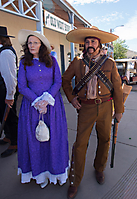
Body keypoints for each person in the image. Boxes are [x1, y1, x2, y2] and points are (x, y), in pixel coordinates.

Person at [62, 26, 124, 199]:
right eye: (87, 41)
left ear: (99, 44)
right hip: (86, 108)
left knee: (105, 139)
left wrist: (119, 110)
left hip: (105, 107)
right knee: (80, 144)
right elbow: (65, 80)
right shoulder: (77, 62)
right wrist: (72, 98)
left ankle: (99, 168)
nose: (89, 44)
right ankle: (74, 181)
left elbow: (117, 89)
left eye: (93, 41)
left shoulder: (109, 63)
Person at [17, 29, 69, 188]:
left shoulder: (52, 61)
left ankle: (54, 173)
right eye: (29, 43)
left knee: (53, 139)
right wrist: (37, 101)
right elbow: (22, 86)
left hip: (52, 106)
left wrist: (46, 100)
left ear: (42, 45)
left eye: (35, 42)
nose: (31, 45)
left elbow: (58, 82)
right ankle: (39, 175)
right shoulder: (24, 62)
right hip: (31, 108)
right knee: (34, 140)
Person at [0, 26, 18, 158]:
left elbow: (10, 76)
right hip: (4, 89)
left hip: (5, 90)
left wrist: (10, 95)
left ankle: (15, 143)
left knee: (10, 117)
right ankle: (8, 136)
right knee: (3, 116)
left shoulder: (5, 53)